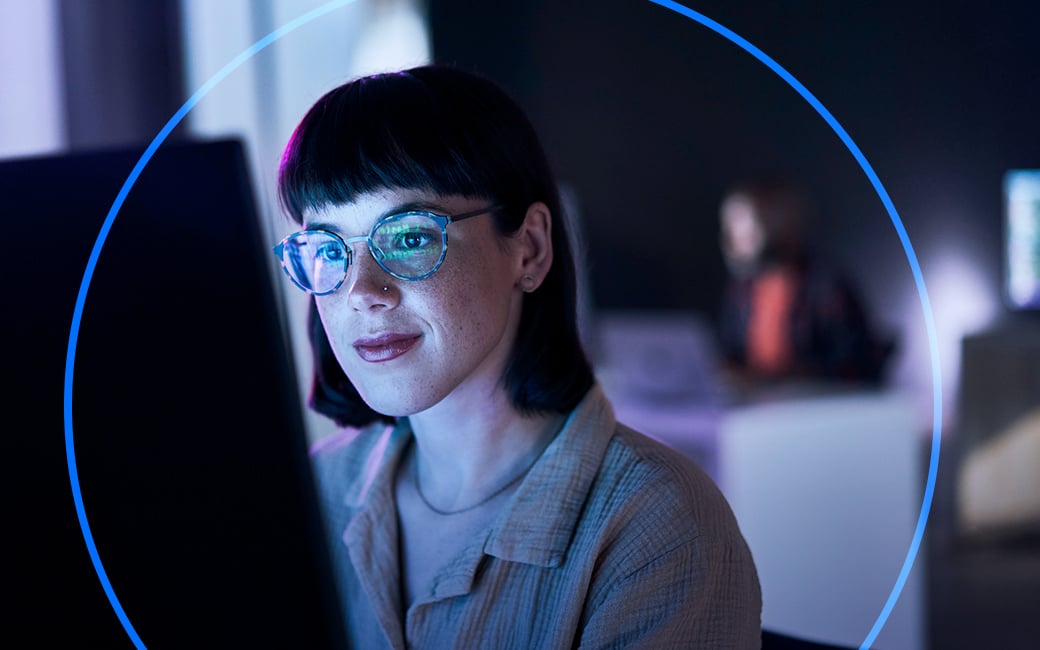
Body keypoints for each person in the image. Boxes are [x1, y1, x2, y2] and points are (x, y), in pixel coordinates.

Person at [273, 64, 761, 649]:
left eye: (408, 236)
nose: (360, 292)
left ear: (528, 249)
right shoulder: (312, 493)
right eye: (328, 248)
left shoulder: (657, 530)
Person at [716, 176, 893, 389]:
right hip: (756, 408)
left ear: (779, 221)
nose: (733, 237)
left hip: (814, 409)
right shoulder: (742, 291)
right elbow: (731, 352)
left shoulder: (826, 286)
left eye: (743, 224)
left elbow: (854, 365)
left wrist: (788, 377)